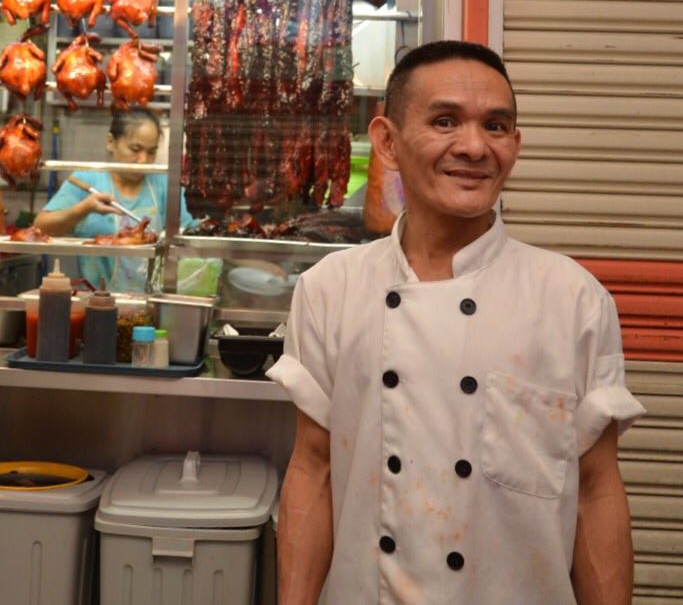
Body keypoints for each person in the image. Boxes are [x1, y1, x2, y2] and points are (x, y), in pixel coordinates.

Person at [267, 40, 644, 605]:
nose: (474, 146)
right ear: (387, 142)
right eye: (445, 121)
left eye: (496, 126)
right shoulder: (330, 289)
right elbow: (313, 468)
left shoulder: (573, 299)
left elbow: (596, 490)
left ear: (515, 145)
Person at [34, 108, 195, 291]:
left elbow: (192, 234)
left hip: (151, 301)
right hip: (95, 301)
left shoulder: (163, 183)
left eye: (151, 152)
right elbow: (40, 227)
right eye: (135, 149)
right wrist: (84, 209)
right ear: (111, 142)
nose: (144, 160)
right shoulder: (87, 179)